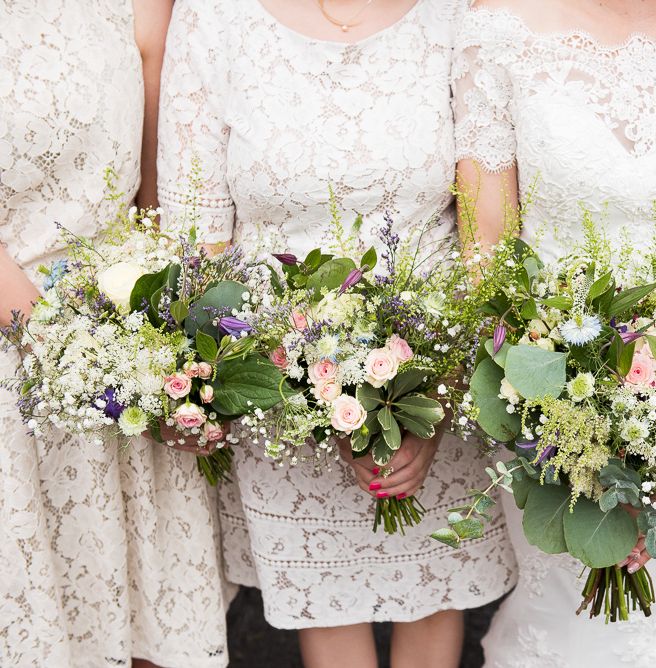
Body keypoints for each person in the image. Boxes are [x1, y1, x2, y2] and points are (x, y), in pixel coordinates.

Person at [158, 1, 517, 666]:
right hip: (277, 385)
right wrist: (262, 378)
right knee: (324, 608)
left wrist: (435, 396)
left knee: (434, 598)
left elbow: (488, 232)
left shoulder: (459, 14)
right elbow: (195, 232)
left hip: (437, 362)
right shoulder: (214, 17)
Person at [454, 0, 656, 665]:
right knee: (575, 631)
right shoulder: (500, 29)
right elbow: (486, 256)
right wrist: (571, 436)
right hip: (556, 412)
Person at [0, 2, 231, 666]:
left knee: (144, 634)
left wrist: (173, 359)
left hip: (122, 355)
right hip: (35, 371)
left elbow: (155, 203)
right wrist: (72, 353)